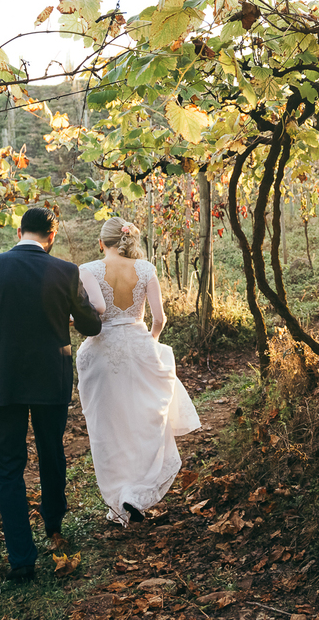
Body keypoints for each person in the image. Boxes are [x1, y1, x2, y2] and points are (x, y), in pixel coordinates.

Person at [0, 207, 101, 582]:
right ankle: (54, 524)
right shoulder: (65, 271)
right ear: (52, 236)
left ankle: (22, 560)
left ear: (18, 231)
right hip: (50, 380)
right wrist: (74, 312)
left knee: (7, 468)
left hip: (1, 382)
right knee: (51, 452)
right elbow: (92, 324)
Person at [76, 217, 200, 526]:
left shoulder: (87, 270)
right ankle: (136, 491)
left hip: (102, 353)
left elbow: (94, 312)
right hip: (139, 346)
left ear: (101, 243)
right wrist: (148, 344)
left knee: (109, 428)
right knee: (144, 421)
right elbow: (159, 319)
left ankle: (120, 496)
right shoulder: (146, 269)